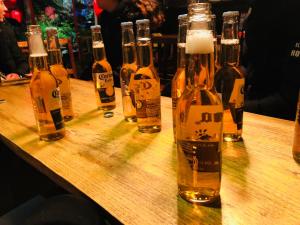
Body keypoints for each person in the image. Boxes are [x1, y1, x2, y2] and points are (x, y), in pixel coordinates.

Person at [243, 0, 300, 120]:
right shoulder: (259, 8)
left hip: (283, 123)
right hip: (256, 110)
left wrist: (231, 108)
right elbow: (252, 65)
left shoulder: (292, 12)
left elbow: (288, 102)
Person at [91, 0, 164, 84]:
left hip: (132, 79)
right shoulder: (105, 17)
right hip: (112, 76)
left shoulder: (134, 15)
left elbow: (136, 61)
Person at [0, 0, 29, 80]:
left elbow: (22, 62)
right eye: (1, 3)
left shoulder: (6, 30)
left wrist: (17, 74)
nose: (5, 8)